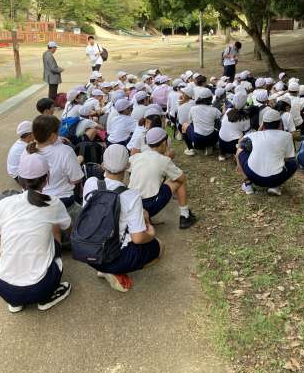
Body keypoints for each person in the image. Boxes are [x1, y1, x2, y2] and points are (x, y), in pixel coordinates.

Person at [0, 153, 71, 313]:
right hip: (40, 288)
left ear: (20, 179)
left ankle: (16, 302)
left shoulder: (4, 203)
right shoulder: (53, 203)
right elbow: (67, 227)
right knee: (54, 226)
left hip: (4, 288)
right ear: (47, 178)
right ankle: (46, 299)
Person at [82, 144, 162, 292]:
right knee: (158, 247)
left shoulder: (90, 182)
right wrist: (151, 233)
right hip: (112, 258)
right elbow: (138, 238)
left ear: (103, 164)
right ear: (128, 165)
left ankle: (104, 268)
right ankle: (113, 270)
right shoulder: (131, 195)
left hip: (87, 253)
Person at [22, 115, 84, 244]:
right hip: (63, 201)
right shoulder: (65, 151)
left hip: (33, 199)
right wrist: (77, 162)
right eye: (58, 131)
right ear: (52, 135)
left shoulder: (27, 151)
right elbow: (76, 180)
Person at [129, 128, 197, 229]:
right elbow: (181, 177)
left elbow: (126, 167)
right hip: (149, 205)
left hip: (132, 205)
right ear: (164, 143)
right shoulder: (163, 160)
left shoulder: (137, 157)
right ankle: (185, 216)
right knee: (179, 179)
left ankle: (143, 218)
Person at [236, 108, 297, 196]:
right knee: (293, 163)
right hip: (275, 178)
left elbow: (239, 143)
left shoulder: (254, 135)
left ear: (263, 124)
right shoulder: (287, 136)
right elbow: (288, 158)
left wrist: (259, 129)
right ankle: (275, 186)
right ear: (280, 123)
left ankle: (248, 185)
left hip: (253, 176)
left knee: (239, 150)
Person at [183, 88, 221, 155]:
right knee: (216, 127)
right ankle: (211, 145)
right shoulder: (214, 110)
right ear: (211, 98)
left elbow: (190, 122)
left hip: (198, 138)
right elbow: (220, 118)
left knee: (184, 125)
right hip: (212, 138)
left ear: (199, 98)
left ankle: (190, 149)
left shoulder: (193, 109)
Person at [218, 92, 250, 161]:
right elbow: (246, 129)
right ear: (244, 104)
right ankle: (236, 155)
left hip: (221, 141)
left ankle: (222, 154)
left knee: (226, 131)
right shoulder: (245, 118)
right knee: (247, 134)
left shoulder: (228, 110)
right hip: (233, 145)